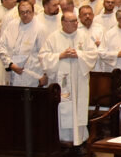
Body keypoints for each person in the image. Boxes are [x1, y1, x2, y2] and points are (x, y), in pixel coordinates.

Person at [41, 12, 99, 145]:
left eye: (75, 21)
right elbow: (43, 56)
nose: (75, 24)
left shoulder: (83, 36)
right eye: (71, 21)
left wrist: (78, 54)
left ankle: (79, 139)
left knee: (78, 107)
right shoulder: (53, 37)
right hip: (61, 81)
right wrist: (60, 55)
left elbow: (93, 54)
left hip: (79, 80)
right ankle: (63, 140)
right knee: (63, 108)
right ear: (63, 23)